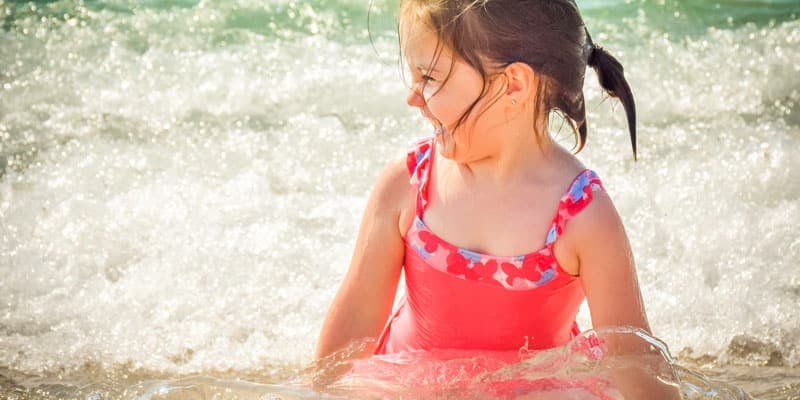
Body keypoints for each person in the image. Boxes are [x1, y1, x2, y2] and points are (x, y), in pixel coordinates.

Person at [316, 1, 662, 393]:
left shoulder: (581, 214)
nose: (413, 97)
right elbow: (353, 329)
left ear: (513, 84)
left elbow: (634, 361)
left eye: (429, 77)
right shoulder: (410, 182)